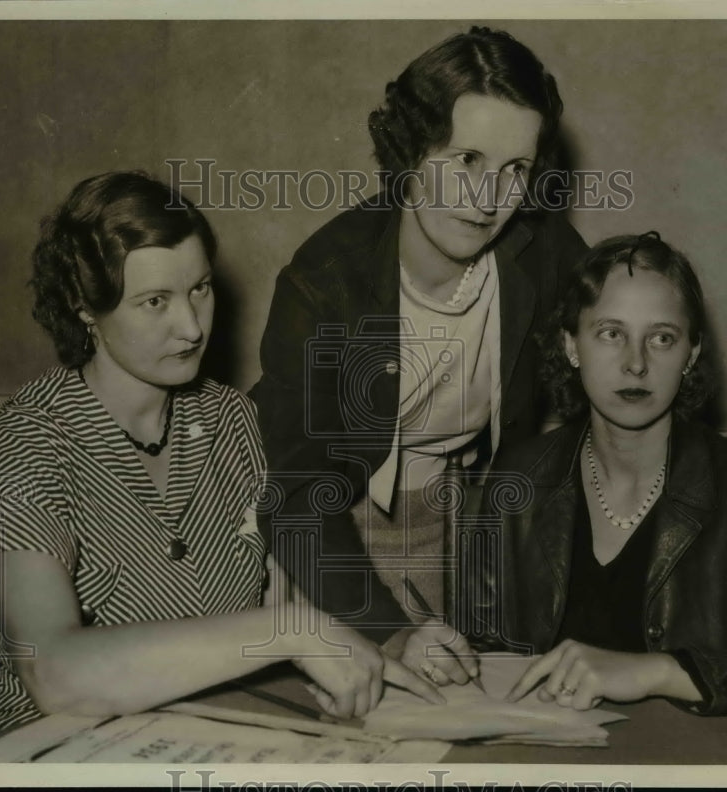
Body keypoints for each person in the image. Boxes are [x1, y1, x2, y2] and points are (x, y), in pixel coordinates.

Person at [0, 171, 441, 738]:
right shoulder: (27, 441)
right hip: (54, 751)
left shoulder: (234, 421)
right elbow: (54, 674)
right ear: (85, 306)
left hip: (214, 737)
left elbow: (291, 600)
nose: (190, 327)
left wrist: (393, 642)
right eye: (155, 301)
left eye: (199, 289)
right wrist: (289, 630)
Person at [250, 27, 588, 686]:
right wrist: (391, 631)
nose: (489, 197)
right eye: (467, 159)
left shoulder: (545, 257)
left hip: (461, 519)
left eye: (515, 169)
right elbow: (294, 489)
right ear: (411, 149)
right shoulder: (326, 279)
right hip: (328, 533)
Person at [481, 232, 727, 720]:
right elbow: (481, 646)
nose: (636, 363)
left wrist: (663, 671)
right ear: (571, 345)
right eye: (610, 333)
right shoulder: (517, 478)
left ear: (691, 353)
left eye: (662, 338)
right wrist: (435, 651)